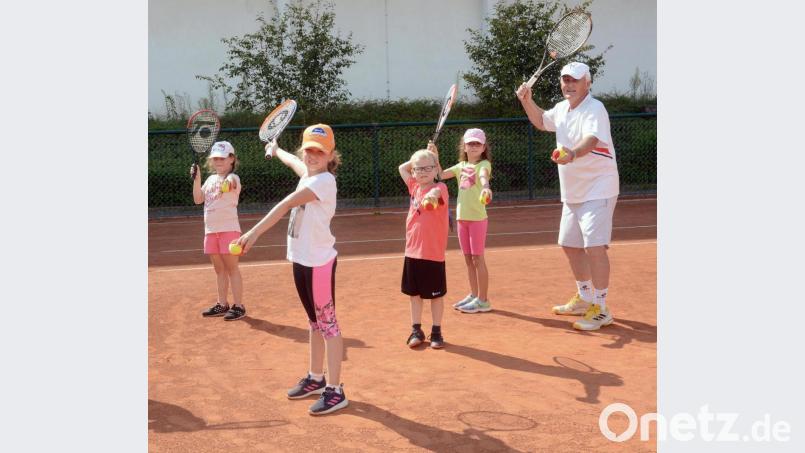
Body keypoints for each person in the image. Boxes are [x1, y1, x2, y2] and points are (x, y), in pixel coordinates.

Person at [234, 124, 348, 415]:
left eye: (319, 152)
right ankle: (316, 378)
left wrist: (253, 233)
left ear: (330, 155)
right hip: (301, 259)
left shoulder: (324, 181)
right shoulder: (308, 174)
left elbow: (286, 204)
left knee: (328, 325)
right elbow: (295, 162)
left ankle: (336, 391)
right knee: (314, 322)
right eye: (309, 150)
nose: (312, 156)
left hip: (319, 263)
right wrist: (277, 150)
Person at [516, 61, 620, 331]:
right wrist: (527, 100)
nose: (569, 84)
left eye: (575, 80)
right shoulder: (562, 109)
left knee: (594, 246)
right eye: (565, 79)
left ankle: (601, 308)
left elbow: (591, 140)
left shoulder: (595, 108)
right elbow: (541, 121)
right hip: (573, 191)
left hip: (599, 187)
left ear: (588, 83)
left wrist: (572, 153)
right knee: (570, 245)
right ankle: (585, 298)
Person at [434, 129, 494, 314]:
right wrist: (435, 156)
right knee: (468, 259)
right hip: (462, 219)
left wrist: (486, 187)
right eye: (470, 144)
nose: (474, 147)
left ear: (483, 147)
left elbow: (483, 175)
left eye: (477, 144)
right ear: (464, 147)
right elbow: (440, 175)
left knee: (478, 258)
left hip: (477, 220)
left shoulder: (484, 164)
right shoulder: (460, 166)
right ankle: (474, 294)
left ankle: (483, 300)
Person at [398, 147, 450, 349]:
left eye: (428, 168)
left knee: (436, 297)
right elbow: (402, 168)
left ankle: (436, 331)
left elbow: (436, 193)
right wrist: (422, 157)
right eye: (418, 169)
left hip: (432, 253)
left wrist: (432, 159)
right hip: (412, 251)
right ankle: (416, 330)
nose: (423, 172)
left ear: (437, 169)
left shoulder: (440, 188)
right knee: (415, 295)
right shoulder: (414, 187)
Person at [192, 141, 245, 321]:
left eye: (222, 158)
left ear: (231, 159)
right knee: (219, 270)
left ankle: (239, 306)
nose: (218, 161)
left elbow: (230, 183)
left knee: (232, 268)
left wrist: (226, 182)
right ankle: (222, 304)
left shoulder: (234, 177)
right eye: (215, 158)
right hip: (210, 231)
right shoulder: (210, 180)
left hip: (229, 230)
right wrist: (197, 179)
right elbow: (198, 199)